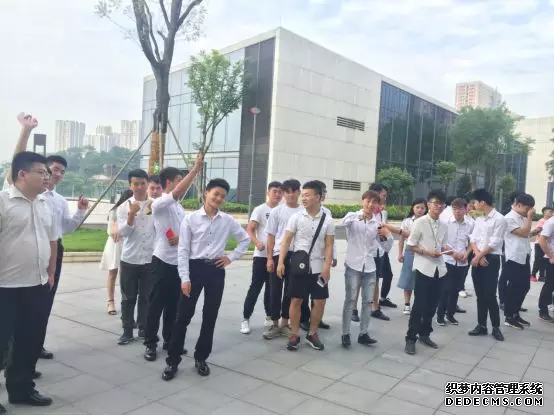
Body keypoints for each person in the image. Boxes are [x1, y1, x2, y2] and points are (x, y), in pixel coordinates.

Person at [162, 179, 250, 379]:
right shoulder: (191, 219)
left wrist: (231, 257)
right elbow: (183, 250)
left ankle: (201, 357)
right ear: (206, 193)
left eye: (222, 196)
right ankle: (172, 361)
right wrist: (185, 278)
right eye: (215, 194)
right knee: (182, 317)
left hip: (216, 271)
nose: (218, 198)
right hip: (195, 269)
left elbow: (245, 239)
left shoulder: (227, 220)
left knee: (210, 316)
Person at [0, 151, 57, 410]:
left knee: (29, 341)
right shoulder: (3, 202)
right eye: (41, 172)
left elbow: (52, 240)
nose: (47, 177)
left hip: (37, 285)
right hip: (5, 287)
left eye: (47, 173)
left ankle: (21, 389)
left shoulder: (45, 203)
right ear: (22, 174)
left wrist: (51, 273)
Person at [143, 158, 203, 362]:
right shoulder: (159, 203)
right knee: (156, 304)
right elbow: (176, 193)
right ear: (168, 182)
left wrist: (182, 239)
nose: (181, 183)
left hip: (178, 263)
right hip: (161, 262)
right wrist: (194, 171)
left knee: (173, 306)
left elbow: (184, 232)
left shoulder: (178, 207)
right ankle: (150, 343)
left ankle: (169, 340)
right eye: (179, 179)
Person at [277, 181, 335, 351]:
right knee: (296, 300)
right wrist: (280, 262)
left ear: (318, 197)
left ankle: (312, 333)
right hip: (299, 267)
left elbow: (329, 246)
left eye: (307, 195)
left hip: (318, 268)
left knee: (320, 301)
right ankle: (294, 334)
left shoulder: (328, 220)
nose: (303, 198)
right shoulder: (296, 218)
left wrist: (327, 268)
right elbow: (286, 241)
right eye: (303, 195)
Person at [341, 190, 393, 348]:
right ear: (362, 201)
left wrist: (388, 235)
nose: (370, 205)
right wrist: (358, 217)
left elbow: (386, 247)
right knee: (350, 300)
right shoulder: (353, 216)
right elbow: (342, 223)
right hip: (353, 265)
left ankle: (363, 333)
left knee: (368, 301)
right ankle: (345, 333)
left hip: (370, 266)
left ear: (378, 205)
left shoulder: (377, 224)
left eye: (374, 202)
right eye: (368, 201)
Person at [404, 190, 451, 355]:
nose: (438, 206)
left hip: (440, 269)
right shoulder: (420, 222)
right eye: (435, 203)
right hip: (424, 268)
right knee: (419, 305)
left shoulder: (444, 225)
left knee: (432, 304)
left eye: (441, 204)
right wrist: (426, 252)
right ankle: (410, 338)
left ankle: (425, 334)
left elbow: (443, 244)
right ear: (429, 204)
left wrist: (453, 252)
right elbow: (411, 245)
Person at [116, 169, 155, 345]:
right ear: (130, 185)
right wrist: (131, 215)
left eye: (142, 183)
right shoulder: (123, 207)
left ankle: (144, 327)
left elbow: (161, 228)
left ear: (147, 184)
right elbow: (123, 233)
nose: (139, 187)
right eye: (135, 184)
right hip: (130, 259)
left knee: (146, 297)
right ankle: (127, 330)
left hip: (150, 259)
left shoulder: (155, 205)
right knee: (128, 297)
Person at [241, 181, 283, 335]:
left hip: (276, 255)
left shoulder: (282, 210)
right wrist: (257, 242)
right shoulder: (260, 209)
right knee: (255, 287)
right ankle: (246, 318)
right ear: (268, 192)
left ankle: (269, 316)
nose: (277, 194)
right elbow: (250, 229)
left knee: (271, 288)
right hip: (261, 256)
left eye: (280, 192)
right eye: (274, 191)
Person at [262, 179, 303, 340]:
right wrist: (269, 258)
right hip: (279, 254)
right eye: (287, 192)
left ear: (299, 192)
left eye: (293, 191)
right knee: (275, 290)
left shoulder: (303, 212)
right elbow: (271, 236)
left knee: (290, 291)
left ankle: (285, 323)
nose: (290, 195)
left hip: (297, 255)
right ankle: (274, 323)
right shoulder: (277, 211)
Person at [468, 188, 507, 341]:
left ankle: (496, 327)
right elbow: (473, 238)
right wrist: (477, 255)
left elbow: (495, 242)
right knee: (480, 294)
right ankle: (482, 325)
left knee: (489, 294)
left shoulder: (499, 219)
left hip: (492, 258)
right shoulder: (479, 218)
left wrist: (479, 256)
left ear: (482, 202)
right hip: (478, 256)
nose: (474, 205)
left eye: (475, 202)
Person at [352, 183, 393, 322]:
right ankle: (353, 309)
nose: (384, 198)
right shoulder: (362, 213)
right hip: (364, 253)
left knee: (375, 281)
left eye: (385, 196)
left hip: (378, 252)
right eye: (383, 195)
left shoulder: (382, 213)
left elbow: (382, 231)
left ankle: (375, 308)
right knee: (358, 281)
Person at [300, 180, 335, 331]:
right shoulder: (302, 212)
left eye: (325, 192)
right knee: (303, 294)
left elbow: (330, 240)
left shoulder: (327, 213)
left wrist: (332, 258)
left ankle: (317, 319)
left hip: (321, 261)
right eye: (322, 192)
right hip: (304, 260)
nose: (324, 194)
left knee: (320, 294)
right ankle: (304, 319)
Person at [436, 198, 473, 326]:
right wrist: (452, 253)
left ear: (466, 209)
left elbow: (472, 242)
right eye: (455, 208)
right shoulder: (445, 223)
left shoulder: (470, 224)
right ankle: (440, 316)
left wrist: (467, 254)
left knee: (456, 290)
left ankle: (450, 315)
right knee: (446, 289)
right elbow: (440, 242)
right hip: (448, 260)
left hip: (462, 261)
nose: (457, 211)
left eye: (460, 208)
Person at [502, 193, 535, 330]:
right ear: (519, 204)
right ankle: (509, 316)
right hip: (514, 257)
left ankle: (515, 313)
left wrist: (534, 232)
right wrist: (530, 218)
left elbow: (525, 234)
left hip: (524, 255)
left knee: (525, 286)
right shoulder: (508, 218)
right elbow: (523, 233)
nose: (529, 211)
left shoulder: (521, 217)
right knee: (514, 287)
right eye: (528, 208)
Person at [100, 190, 133, 315]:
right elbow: (113, 232)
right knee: (113, 273)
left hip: (128, 245)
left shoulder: (135, 212)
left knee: (127, 276)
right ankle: (110, 301)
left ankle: (127, 302)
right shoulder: (115, 211)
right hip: (115, 245)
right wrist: (120, 230)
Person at [397, 198, 427, 315]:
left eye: (422, 208)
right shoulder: (407, 221)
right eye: (417, 207)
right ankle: (407, 304)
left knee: (422, 279)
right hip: (410, 251)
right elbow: (401, 239)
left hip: (424, 252)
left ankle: (419, 304)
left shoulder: (428, 221)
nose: (420, 210)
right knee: (408, 278)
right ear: (413, 208)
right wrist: (400, 253)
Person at [498, 191, 525, 310]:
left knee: (516, 279)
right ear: (515, 201)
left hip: (519, 250)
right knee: (505, 275)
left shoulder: (522, 213)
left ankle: (513, 302)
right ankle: (503, 300)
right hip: (507, 249)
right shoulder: (507, 213)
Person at [3, 113, 39, 190]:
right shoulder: (10, 193)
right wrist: (26, 130)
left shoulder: (41, 196)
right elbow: (18, 163)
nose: (45, 177)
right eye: (40, 172)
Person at [537, 216, 554, 321]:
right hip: (551, 259)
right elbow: (542, 240)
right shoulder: (551, 222)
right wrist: (551, 256)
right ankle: (543, 310)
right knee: (550, 285)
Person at [531, 207, 553, 282]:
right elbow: (538, 231)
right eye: (550, 211)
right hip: (539, 244)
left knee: (544, 261)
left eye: (552, 212)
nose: (551, 213)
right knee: (538, 260)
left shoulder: (551, 221)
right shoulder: (542, 221)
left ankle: (542, 276)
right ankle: (533, 275)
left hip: (547, 245)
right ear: (544, 213)